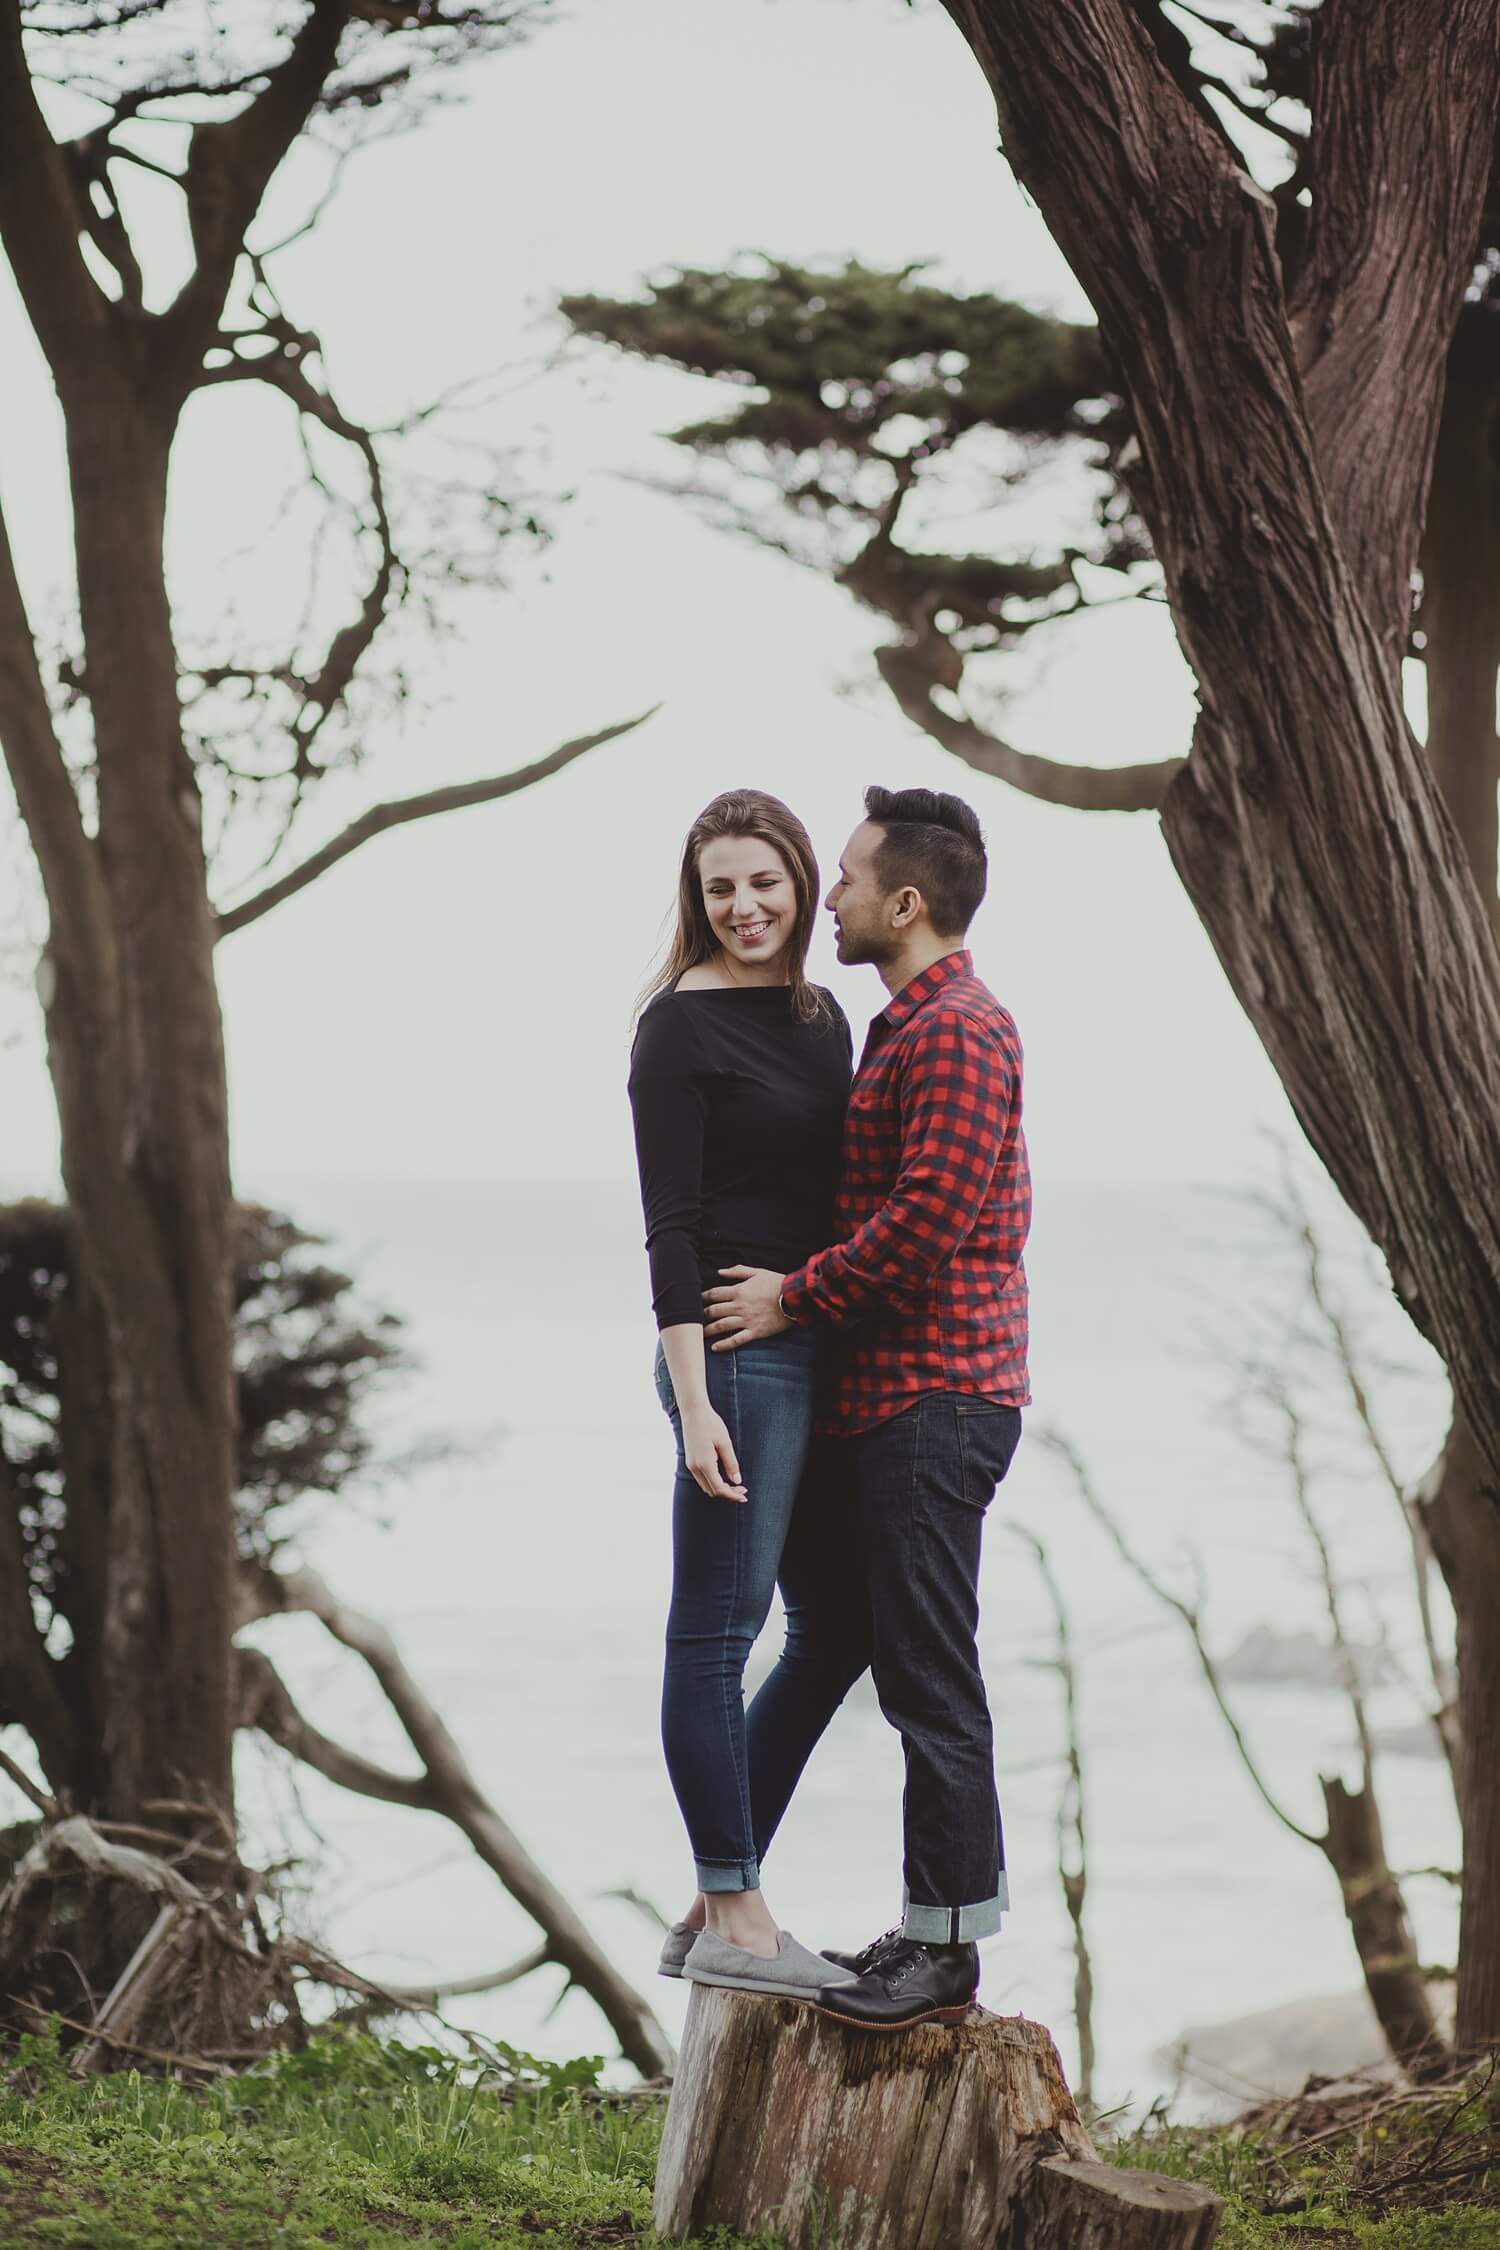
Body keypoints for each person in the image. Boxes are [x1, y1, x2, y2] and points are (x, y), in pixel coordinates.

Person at [703, 784, 1031, 2031]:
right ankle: (747, 1897)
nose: (824, 897)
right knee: (849, 1642)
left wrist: (791, 1296)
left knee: (931, 1678)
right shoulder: (905, 1025)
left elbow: (926, 1226)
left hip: (938, 1400)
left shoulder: (956, 1032)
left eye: (841, 878)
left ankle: (944, 1949)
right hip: (895, 1400)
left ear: (904, 901)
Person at [628, 788, 858, 2002]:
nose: (744, 905)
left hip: (812, 1346)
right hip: (726, 1357)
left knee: (841, 1628)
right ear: (697, 897)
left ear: (803, 885)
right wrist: (694, 1401)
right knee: (718, 1633)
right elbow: (668, 1226)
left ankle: (716, 1897)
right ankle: (739, 1909)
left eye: (762, 881)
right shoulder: (675, 1028)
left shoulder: (825, 1019)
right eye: (721, 886)